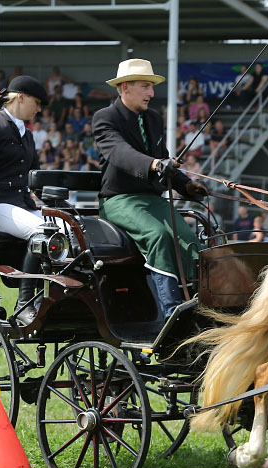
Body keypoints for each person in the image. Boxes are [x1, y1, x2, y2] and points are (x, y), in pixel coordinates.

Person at [92, 58, 208, 320]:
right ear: (124, 87)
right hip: (119, 200)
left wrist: (186, 185)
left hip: (153, 199)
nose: (151, 93)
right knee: (158, 236)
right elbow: (120, 153)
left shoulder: (153, 119)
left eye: (152, 87)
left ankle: (200, 309)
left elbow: (165, 158)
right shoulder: (105, 118)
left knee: (190, 241)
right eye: (145, 86)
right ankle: (170, 313)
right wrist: (155, 164)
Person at [0, 75, 48, 323]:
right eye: (37, 102)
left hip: (22, 205)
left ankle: (49, 297)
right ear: (21, 98)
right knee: (42, 233)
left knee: (67, 230)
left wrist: (57, 205)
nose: (39, 108)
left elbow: (35, 178)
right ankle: (25, 302)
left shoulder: (28, 134)